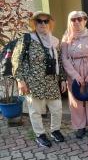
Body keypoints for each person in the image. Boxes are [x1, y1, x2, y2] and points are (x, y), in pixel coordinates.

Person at [12, 11, 66, 147]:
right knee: (35, 110)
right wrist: (20, 80)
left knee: (57, 108)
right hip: (33, 82)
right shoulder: (27, 39)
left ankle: (55, 130)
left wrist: (63, 79)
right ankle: (40, 134)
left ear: (50, 23)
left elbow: (59, 61)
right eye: (39, 21)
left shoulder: (54, 41)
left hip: (52, 82)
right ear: (34, 23)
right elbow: (16, 60)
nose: (43, 24)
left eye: (45, 21)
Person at [61, 11, 88, 139]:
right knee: (76, 100)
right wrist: (75, 76)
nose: (77, 22)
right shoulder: (66, 39)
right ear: (70, 21)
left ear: (85, 20)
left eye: (79, 19)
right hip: (74, 72)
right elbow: (64, 58)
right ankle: (79, 127)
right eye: (73, 20)